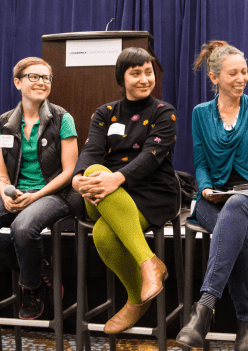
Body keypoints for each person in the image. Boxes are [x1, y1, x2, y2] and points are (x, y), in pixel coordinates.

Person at [176, 40, 248, 351]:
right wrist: (205, 189)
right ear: (214, 78)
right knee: (232, 223)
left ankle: (204, 308)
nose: (241, 79)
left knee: (238, 205)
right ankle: (246, 322)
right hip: (217, 199)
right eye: (233, 74)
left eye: (245, 72)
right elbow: (201, 163)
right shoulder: (201, 114)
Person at [71, 47, 179, 334]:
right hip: (106, 191)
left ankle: (135, 300)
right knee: (93, 170)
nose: (144, 79)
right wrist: (78, 177)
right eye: (136, 74)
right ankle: (150, 264)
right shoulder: (105, 113)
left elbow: (152, 155)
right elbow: (92, 148)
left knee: (103, 234)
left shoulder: (163, 112)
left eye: (149, 72)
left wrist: (117, 177)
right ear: (122, 78)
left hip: (153, 192)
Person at [0, 57, 82, 320]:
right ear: (18, 82)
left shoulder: (63, 118)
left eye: (46, 78)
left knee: (22, 227)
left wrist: (35, 196)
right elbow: (1, 174)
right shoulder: (4, 122)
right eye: (34, 77)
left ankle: (29, 287)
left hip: (56, 193)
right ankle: (38, 267)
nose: (41, 82)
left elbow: (69, 172)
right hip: (18, 192)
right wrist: (6, 193)